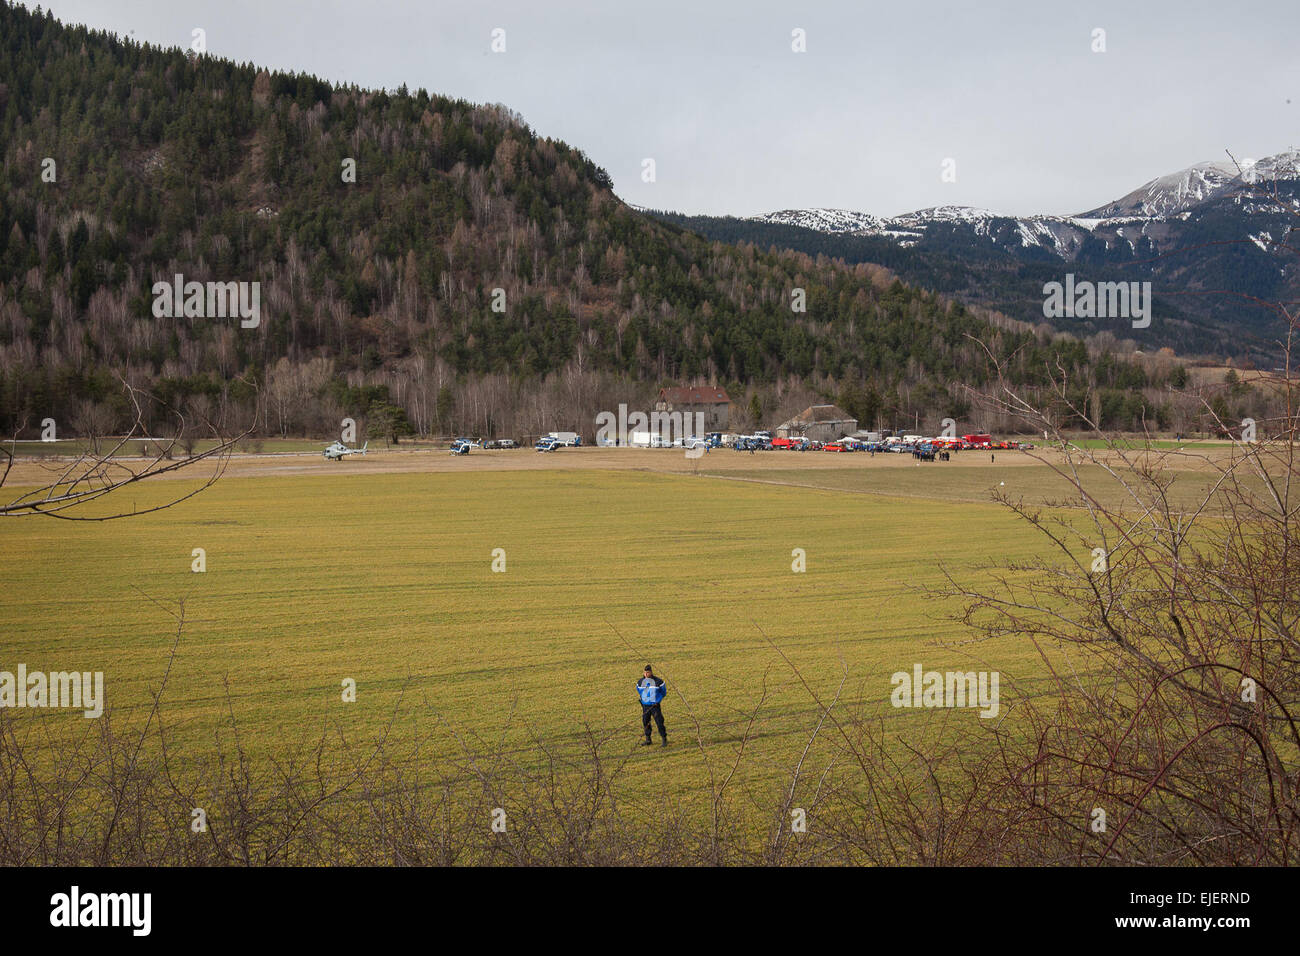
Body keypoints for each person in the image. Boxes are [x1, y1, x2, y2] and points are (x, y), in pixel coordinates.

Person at [636, 665, 668, 747]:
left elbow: (663, 692)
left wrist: (658, 700)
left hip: (655, 706)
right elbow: (639, 691)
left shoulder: (659, 682)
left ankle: (664, 739)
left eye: (648, 672)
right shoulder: (640, 682)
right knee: (645, 722)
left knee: (659, 722)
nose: (646, 674)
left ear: (651, 672)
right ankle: (648, 739)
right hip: (645, 706)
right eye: (645, 672)